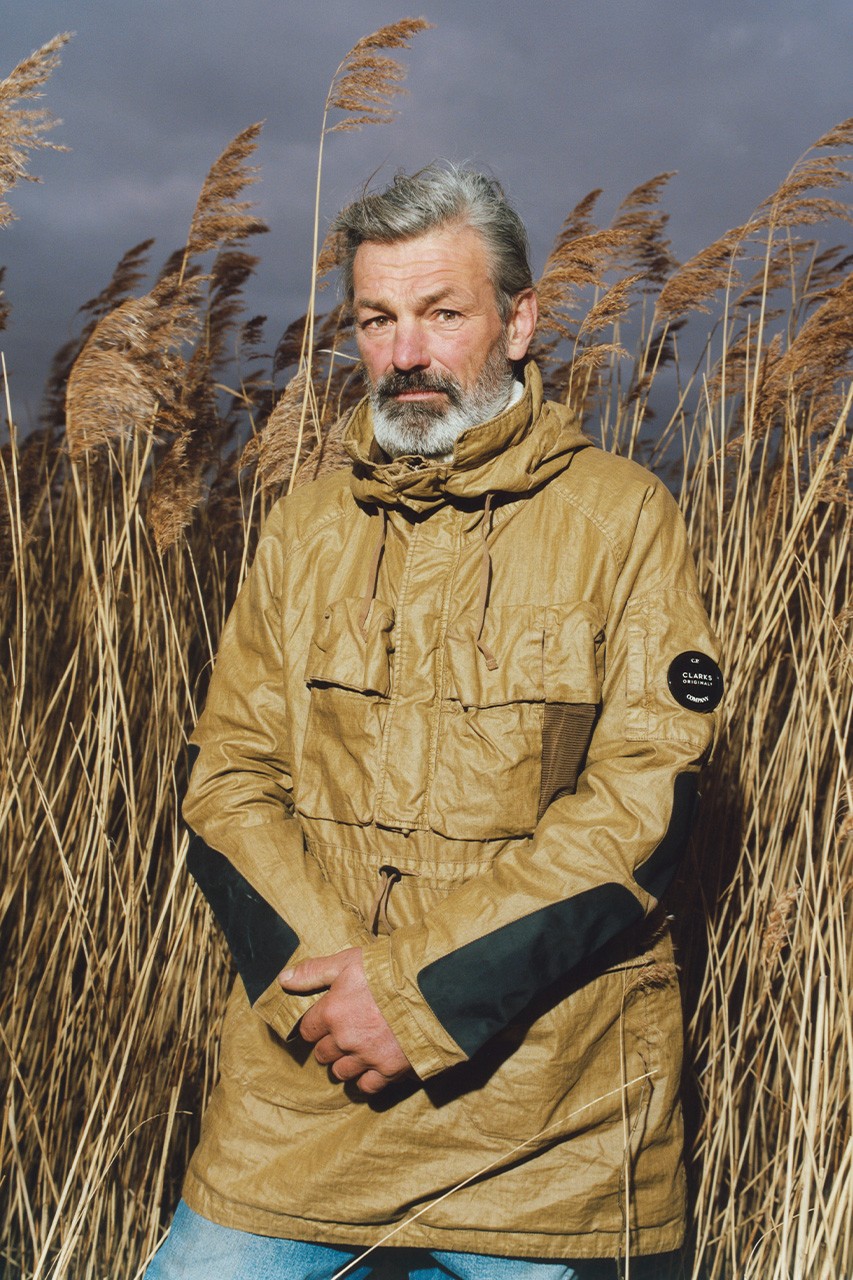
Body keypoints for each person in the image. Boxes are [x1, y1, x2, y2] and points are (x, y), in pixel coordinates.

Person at [145, 164, 723, 1280]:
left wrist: (415, 999)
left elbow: (642, 809)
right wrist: (340, 996)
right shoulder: (304, 528)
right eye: (377, 319)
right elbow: (228, 777)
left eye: (442, 313)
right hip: (307, 1083)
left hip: (539, 1110)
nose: (406, 352)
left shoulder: (623, 519)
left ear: (518, 322)